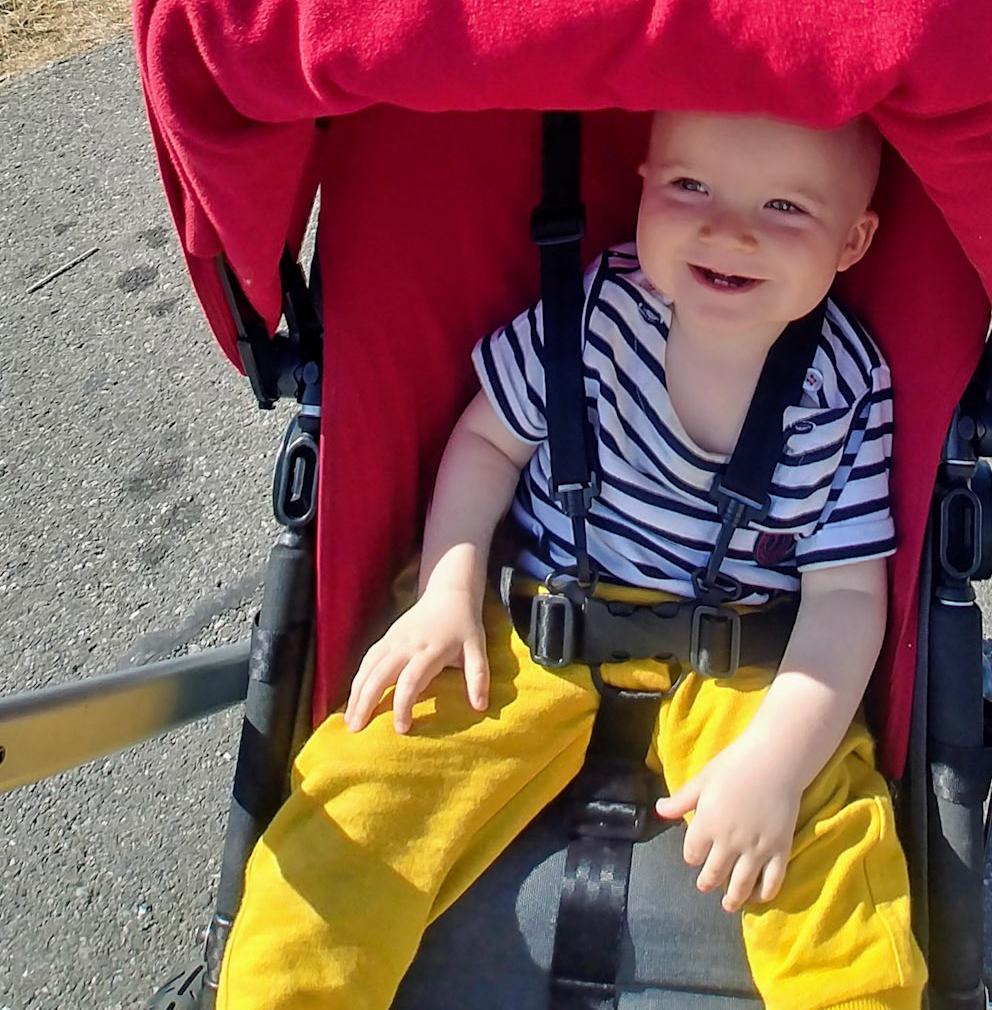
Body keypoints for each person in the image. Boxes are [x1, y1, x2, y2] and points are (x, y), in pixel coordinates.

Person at [216, 111, 927, 1010]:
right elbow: (486, 443)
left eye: (784, 206)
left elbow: (845, 599)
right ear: (641, 182)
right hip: (534, 618)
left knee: (830, 847)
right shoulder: (595, 309)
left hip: (745, 656)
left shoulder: (845, 387)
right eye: (689, 188)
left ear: (853, 241)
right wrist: (445, 589)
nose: (727, 230)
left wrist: (776, 767)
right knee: (366, 792)